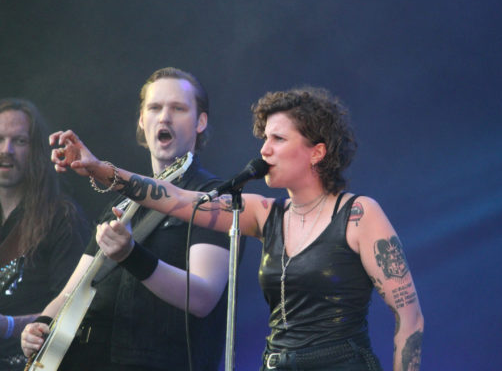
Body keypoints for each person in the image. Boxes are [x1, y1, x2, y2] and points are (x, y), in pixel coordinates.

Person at [41, 87, 424, 371]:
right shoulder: (264, 213)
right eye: (264, 139)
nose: (264, 150)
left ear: (317, 152)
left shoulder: (359, 213)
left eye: (278, 139)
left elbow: (409, 317)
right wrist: (98, 169)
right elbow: (176, 198)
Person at [21, 68, 232, 371]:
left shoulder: (213, 197)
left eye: (178, 108)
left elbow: (203, 297)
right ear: (142, 121)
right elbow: (72, 290)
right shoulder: (122, 204)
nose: (165, 117)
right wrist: (41, 324)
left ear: (201, 122)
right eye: (155, 108)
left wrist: (131, 255)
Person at [0, 99, 88, 371]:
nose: (6, 150)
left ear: (36, 150)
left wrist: (9, 326)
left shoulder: (62, 217)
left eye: (19, 141)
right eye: (0, 139)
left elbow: (75, 310)